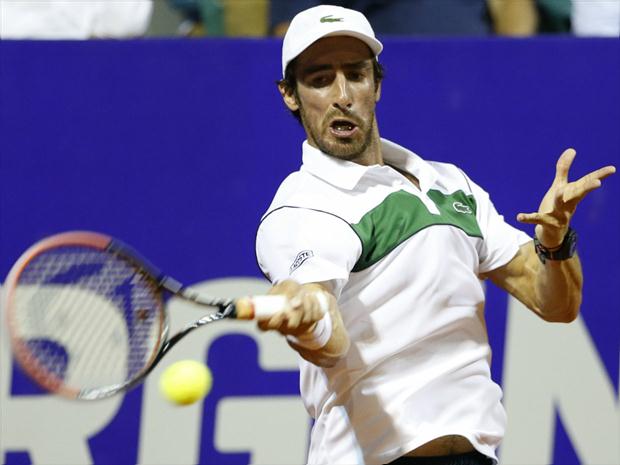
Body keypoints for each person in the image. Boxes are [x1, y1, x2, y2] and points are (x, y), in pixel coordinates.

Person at [254, 5, 615, 465]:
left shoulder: (449, 184)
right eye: (320, 79)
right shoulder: (302, 206)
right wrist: (308, 315)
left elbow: (556, 304)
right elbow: (328, 336)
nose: (342, 94)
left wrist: (555, 241)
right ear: (290, 95)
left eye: (356, 75)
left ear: (377, 84)